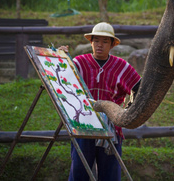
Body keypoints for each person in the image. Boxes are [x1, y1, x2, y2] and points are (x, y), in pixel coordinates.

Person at [60, 22, 141, 181]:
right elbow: (63, 82)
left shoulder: (122, 67)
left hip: (111, 129)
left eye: (105, 42)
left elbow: (139, 88)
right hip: (83, 127)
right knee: (79, 173)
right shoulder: (78, 63)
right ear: (91, 42)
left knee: (110, 175)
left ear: (112, 44)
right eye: (96, 40)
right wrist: (61, 59)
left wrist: (129, 111)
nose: (100, 45)